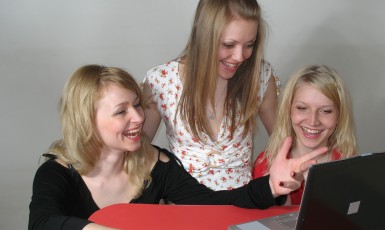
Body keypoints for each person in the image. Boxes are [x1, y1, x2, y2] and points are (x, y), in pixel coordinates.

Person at [29, 65, 327, 230]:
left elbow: (214, 205)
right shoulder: (57, 171)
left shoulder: (158, 164)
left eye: (136, 105)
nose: (138, 117)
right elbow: (41, 223)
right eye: (121, 112)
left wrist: (271, 186)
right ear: (87, 121)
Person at [142, 0, 280, 191]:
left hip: (243, 205)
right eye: (229, 44)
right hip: (183, 205)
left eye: (249, 44)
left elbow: (283, 140)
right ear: (204, 37)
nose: (240, 56)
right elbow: (136, 152)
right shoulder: (161, 81)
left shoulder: (260, 76)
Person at [253, 64, 358, 205]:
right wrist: (277, 192)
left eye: (326, 111)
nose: (313, 121)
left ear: (339, 116)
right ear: (288, 111)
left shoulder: (350, 162)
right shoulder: (265, 164)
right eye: (302, 108)